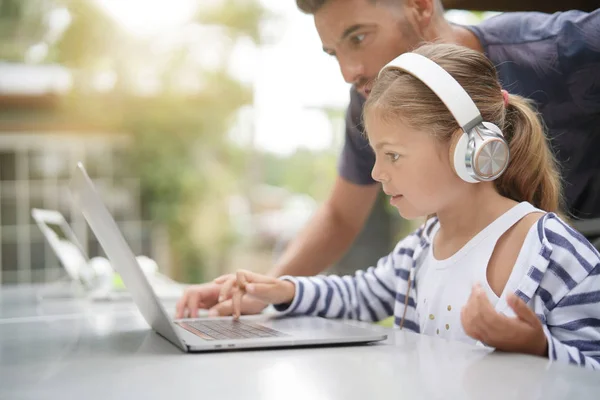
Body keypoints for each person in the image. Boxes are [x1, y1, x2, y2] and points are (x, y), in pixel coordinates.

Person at [175, 0, 600, 318]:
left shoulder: (565, 48)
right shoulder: (419, 248)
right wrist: (264, 292)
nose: (347, 70)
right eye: (333, 52)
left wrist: (539, 350)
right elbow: (344, 224)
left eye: (358, 37)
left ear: (418, 6)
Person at [217, 43, 600, 370]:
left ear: (468, 150)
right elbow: (361, 295)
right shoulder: (420, 249)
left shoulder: (556, 254)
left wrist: (538, 347)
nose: (377, 172)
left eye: (393, 155)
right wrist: (282, 290)